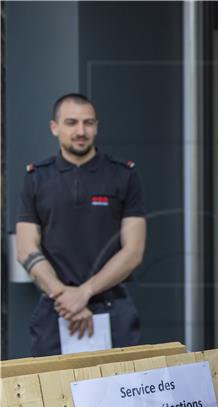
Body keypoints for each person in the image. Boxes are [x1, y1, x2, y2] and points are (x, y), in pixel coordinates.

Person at [15, 93, 146, 356]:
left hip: (114, 308)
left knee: (119, 394)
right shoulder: (36, 178)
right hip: (55, 309)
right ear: (55, 127)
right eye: (71, 122)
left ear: (96, 126)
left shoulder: (123, 175)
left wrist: (83, 293)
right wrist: (65, 296)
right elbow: (25, 247)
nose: (81, 131)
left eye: (88, 123)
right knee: (51, 395)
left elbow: (133, 251)